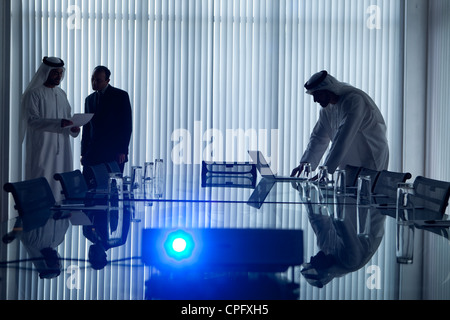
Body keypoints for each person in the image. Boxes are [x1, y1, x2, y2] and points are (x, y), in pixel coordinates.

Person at [291, 70, 389, 177]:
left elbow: (343, 137)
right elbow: (318, 138)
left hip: (370, 155)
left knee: (367, 189)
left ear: (328, 90)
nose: (315, 100)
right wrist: (306, 162)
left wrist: (325, 171)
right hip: (349, 158)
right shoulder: (326, 110)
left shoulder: (354, 100)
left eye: (318, 94)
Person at [20, 57, 80, 201]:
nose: (58, 76)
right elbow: (32, 121)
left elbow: (67, 119)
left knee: (60, 186)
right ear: (46, 72)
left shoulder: (62, 94)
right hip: (43, 148)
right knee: (41, 185)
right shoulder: (34, 93)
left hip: (62, 150)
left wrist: (73, 129)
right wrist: (60, 123)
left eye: (61, 73)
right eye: (55, 73)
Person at [81, 66, 132, 173]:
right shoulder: (89, 99)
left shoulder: (120, 96)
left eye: (98, 80)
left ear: (107, 81)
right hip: (92, 153)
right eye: (92, 79)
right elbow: (86, 127)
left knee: (112, 187)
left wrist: (122, 150)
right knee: (89, 187)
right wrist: (83, 153)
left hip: (113, 152)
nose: (94, 82)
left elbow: (126, 125)